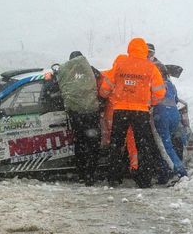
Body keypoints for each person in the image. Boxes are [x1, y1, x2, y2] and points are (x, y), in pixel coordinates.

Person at [100, 38, 166, 188]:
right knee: (143, 145)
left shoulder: (120, 64)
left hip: (120, 110)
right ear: (144, 50)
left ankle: (113, 178)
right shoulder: (150, 67)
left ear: (130, 49)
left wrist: (104, 95)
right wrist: (151, 102)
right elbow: (160, 92)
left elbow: (106, 86)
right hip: (140, 111)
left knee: (116, 144)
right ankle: (144, 179)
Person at [55, 51, 101, 186]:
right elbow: (101, 85)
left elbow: (58, 89)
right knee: (93, 144)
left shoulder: (67, 74)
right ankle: (91, 175)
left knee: (79, 143)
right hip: (91, 113)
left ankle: (81, 174)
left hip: (75, 114)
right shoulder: (91, 71)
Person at [152, 67, 187, 183]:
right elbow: (176, 100)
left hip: (161, 114)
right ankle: (172, 168)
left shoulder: (154, 83)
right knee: (172, 142)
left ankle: (179, 171)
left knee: (164, 146)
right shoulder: (171, 85)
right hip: (174, 114)